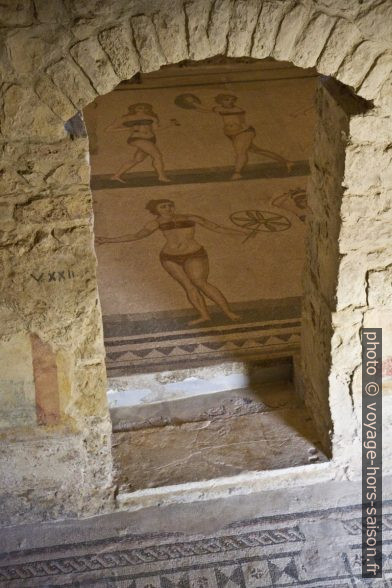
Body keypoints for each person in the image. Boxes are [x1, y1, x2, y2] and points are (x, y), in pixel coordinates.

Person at [96, 199, 247, 325]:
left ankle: (228, 312)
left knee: (201, 283)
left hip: (194, 254)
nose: (167, 208)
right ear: (157, 210)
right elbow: (137, 235)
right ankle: (204, 315)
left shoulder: (190, 217)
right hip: (169, 257)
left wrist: (241, 233)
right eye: (163, 206)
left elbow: (216, 227)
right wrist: (108, 240)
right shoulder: (155, 223)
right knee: (188, 286)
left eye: (169, 205)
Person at [181, 93, 294, 180]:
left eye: (232, 99)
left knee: (240, 152)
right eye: (226, 99)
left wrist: (193, 103)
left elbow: (210, 109)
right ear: (220, 101)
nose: (230, 101)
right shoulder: (221, 108)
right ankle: (286, 162)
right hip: (233, 134)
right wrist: (193, 106)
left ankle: (237, 173)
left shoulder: (236, 109)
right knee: (257, 150)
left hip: (244, 132)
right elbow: (207, 110)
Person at [106, 103, 176, 183]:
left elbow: (156, 129)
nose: (142, 108)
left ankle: (116, 176)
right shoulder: (127, 118)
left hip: (151, 139)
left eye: (144, 107)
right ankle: (161, 176)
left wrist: (170, 125)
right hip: (137, 138)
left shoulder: (152, 118)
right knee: (157, 155)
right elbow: (109, 129)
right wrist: (125, 129)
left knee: (137, 159)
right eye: (139, 107)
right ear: (134, 109)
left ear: (147, 109)